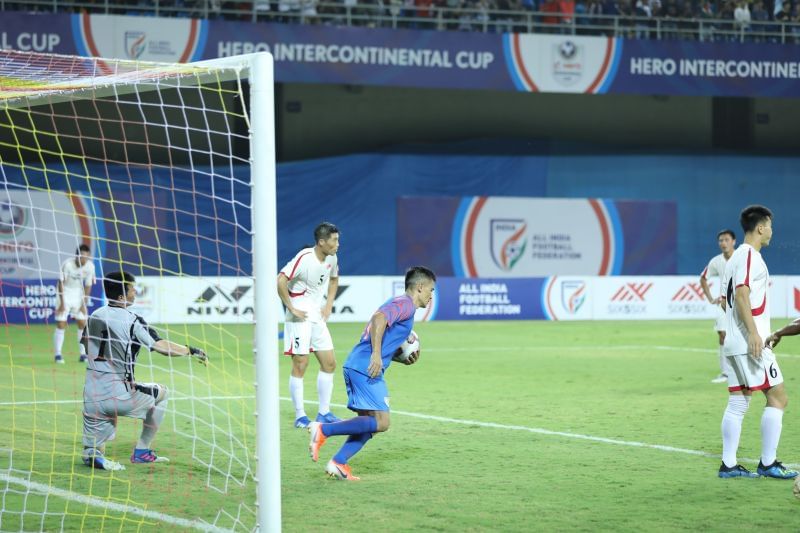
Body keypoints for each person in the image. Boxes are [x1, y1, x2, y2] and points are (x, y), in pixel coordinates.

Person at [307, 266, 436, 481]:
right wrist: (376, 355)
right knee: (382, 422)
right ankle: (323, 429)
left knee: (369, 424)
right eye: (431, 289)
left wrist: (391, 356)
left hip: (359, 365)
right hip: (366, 367)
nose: (431, 295)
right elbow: (379, 319)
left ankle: (338, 463)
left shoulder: (403, 307)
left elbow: (384, 334)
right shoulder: (405, 304)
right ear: (420, 287)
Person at [81, 271, 208, 471]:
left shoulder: (94, 317)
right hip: (119, 395)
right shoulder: (132, 320)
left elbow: (86, 347)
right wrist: (190, 350)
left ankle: (93, 453)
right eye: (132, 289)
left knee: (94, 449)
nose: (135, 293)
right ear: (122, 296)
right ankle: (142, 451)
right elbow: (160, 346)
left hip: (91, 396)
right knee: (163, 393)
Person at [718, 205, 797, 479]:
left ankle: (728, 465)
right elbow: (741, 295)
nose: (772, 232)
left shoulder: (734, 259)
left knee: (739, 402)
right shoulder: (750, 256)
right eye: (770, 226)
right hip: (751, 343)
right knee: (778, 397)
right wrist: (754, 333)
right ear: (761, 227)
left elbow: (729, 299)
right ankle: (768, 462)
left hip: (733, 342)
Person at [277, 222, 342, 428]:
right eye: (334, 240)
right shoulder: (305, 258)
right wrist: (291, 307)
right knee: (301, 363)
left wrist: (328, 305)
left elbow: (333, 280)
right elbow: (280, 280)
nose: (337, 244)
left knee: (329, 363)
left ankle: (324, 412)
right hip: (299, 316)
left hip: (316, 315)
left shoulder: (332, 257)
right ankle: (300, 415)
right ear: (322, 242)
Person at [700, 229, 736, 383]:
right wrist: (710, 298)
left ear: (733, 241)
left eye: (727, 239)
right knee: (722, 334)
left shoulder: (742, 258)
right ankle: (726, 372)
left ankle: (749, 370)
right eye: (721, 240)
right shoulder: (716, 261)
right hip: (723, 302)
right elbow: (703, 278)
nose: (723, 243)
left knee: (746, 335)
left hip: (742, 302)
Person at [54, 244, 96, 364]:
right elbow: (61, 282)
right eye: (82, 256)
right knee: (61, 324)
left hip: (78, 295)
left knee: (82, 323)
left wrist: (84, 304)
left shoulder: (90, 267)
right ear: (77, 256)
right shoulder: (67, 264)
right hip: (64, 293)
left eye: (86, 257)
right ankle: (58, 354)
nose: (84, 259)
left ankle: (83, 354)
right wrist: (62, 303)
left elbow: (88, 285)